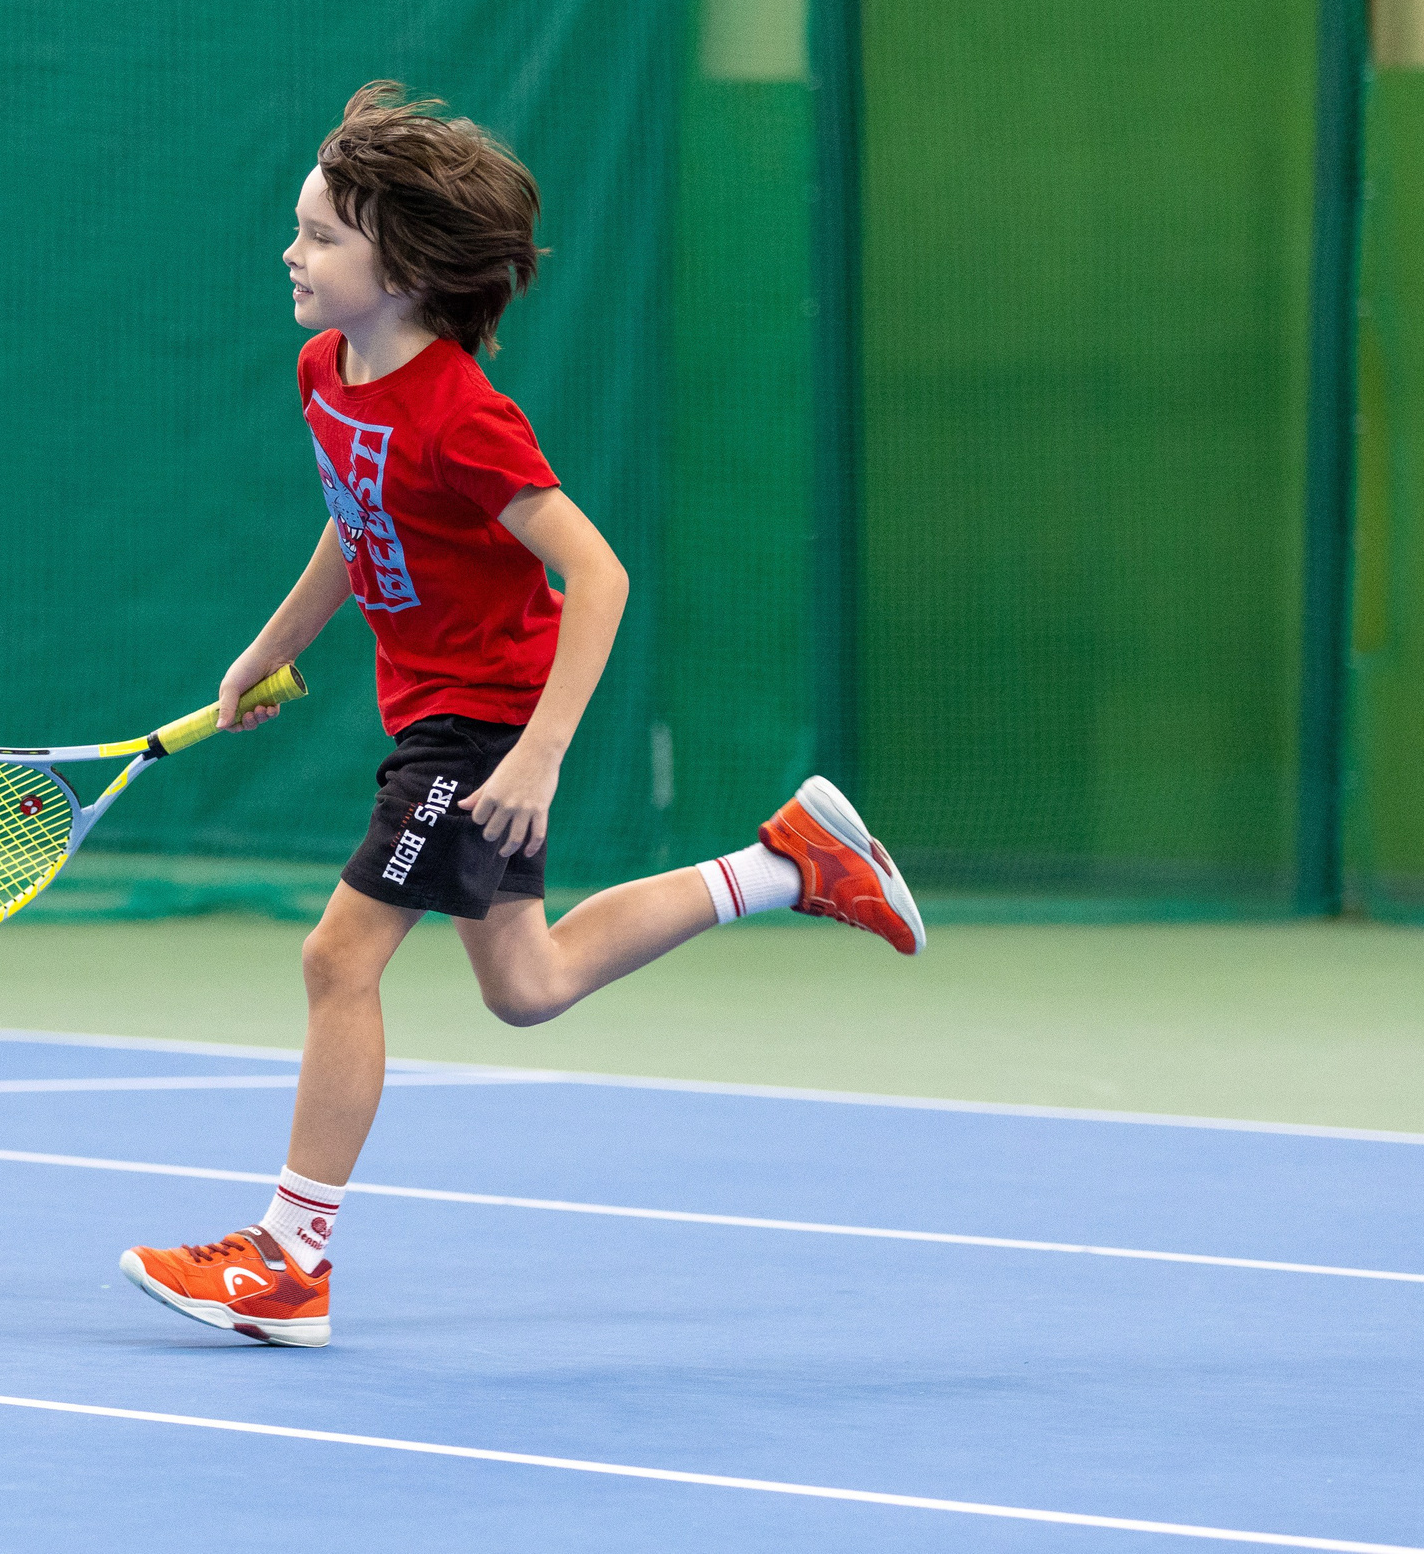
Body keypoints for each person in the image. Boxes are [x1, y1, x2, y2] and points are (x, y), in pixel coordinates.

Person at [118, 82, 923, 1348]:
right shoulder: (326, 369)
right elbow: (356, 515)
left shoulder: (465, 415)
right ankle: (789, 866)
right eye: (298, 228)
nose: (291, 252)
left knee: (337, 959)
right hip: (437, 713)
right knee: (526, 984)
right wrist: (269, 649)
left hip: (485, 722)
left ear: (405, 270)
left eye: (320, 236)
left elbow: (596, 573)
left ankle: (289, 1259)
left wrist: (537, 753)